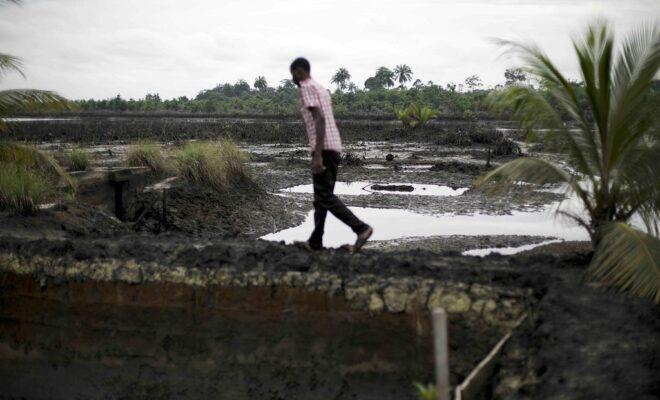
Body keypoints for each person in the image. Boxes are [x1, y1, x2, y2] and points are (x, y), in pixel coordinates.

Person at [289, 57, 373, 252]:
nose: (292, 78)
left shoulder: (306, 87)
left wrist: (317, 154)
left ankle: (361, 228)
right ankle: (315, 242)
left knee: (324, 196)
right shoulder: (322, 89)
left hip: (324, 149)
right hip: (334, 146)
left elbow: (319, 118)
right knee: (321, 198)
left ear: (299, 72)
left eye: (292, 74)